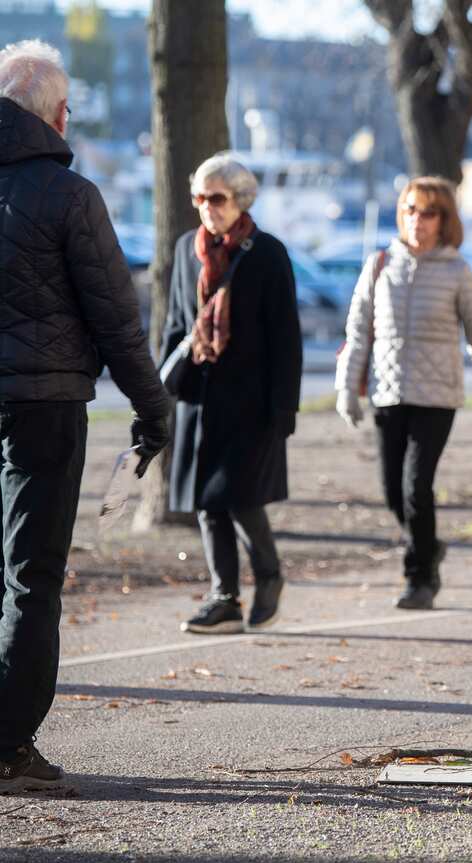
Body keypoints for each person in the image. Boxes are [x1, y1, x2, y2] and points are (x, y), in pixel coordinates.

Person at [0, 41, 169, 791]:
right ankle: (8, 746)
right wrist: (152, 407)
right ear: (57, 113)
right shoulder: (70, 197)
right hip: (43, 404)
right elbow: (116, 320)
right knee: (30, 579)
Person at [335, 176, 472, 610]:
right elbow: (358, 333)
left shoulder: (457, 271)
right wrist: (346, 388)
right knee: (392, 491)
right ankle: (428, 543)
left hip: (436, 397)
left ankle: (420, 578)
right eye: (411, 210)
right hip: (388, 393)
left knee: (417, 488)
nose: (418, 220)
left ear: (444, 220)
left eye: (429, 212)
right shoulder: (379, 265)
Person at [160, 154, 302, 634]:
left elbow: (286, 337)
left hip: (251, 399)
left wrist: (284, 406)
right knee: (206, 500)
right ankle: (224, 597)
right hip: (200, 398)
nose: (205, 206)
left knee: (240, 497)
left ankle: (268, 575)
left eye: (216, 198)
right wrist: (160, 388)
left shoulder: (266, 252)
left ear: (241, 200)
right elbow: (177, 323)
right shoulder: (185, 249)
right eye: (198, 197)